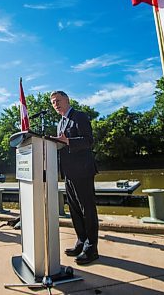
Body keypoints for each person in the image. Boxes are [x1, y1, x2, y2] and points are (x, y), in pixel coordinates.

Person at [50, 90, 99, 265]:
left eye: (58, 100)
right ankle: (81, 241)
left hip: (83, 170)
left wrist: (69, 141)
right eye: (53, 102)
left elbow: (88, 140)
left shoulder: (79, 116)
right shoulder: (60, 123)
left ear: (67, 100)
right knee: (75, 210)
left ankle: (91, 248)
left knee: (87, 209)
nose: (55, 104)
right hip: (68, 172)